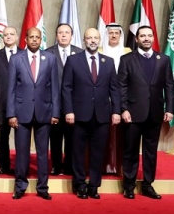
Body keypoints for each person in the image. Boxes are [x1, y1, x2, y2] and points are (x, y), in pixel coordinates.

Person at [62, 28, 121, 200]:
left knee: (98, 152)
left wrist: (116, 111)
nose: (93, 40)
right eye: (89, 38)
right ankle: (80, 185)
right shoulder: (73, 60)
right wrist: (69, 110)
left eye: (96, 37)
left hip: (102, 116)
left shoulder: (108, 62)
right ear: (84, 40)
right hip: (79, 115)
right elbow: (66, 88)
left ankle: (94, 186)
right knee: (78, 152)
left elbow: (114, 89)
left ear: (100, 40)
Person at [119, 25, 174, 200]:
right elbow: (122, 86)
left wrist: (170, 109)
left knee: (151, 152)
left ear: (153, 38)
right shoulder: (126, 59)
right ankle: (129, 186)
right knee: (131, 150)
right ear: (137, 39)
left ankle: (147, 185)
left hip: (155, 113)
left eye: (149, 36)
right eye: (142, 36)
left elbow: (169, 86)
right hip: (132, 113)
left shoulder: (163, 59)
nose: (146, 39)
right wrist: (123, 109)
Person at [6, 27, 59, 200]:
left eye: (37, 37)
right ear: (26, 39)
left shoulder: (50, 58)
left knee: (43, 153)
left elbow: (55, 88)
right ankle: (20, 186)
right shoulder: (16, 59)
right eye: (31, 37)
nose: (35, 40)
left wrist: (56, 112)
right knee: (22, 153)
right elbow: (11, 89)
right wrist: (11, 114)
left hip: (44, 112)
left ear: (40, 40)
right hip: (21, 113)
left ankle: (42, 187)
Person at [47, 23, 82, 176]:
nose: (63, 35)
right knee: (55, 138)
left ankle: (69, 166)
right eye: (60, 32)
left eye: (67, 32)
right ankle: (56, 165)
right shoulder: (47, 53)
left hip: (73, 105)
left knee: (71, 138)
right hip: (53, 104)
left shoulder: (80, 53)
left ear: (71, 36)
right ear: (56, 35)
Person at [99, 22, 131, 175]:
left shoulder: (127, 52)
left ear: (120, 35)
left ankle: (118, 167)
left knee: (120, 136)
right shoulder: (99, 51)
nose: (113, 35)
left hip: (122, 98)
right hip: (102, 99)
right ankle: (102, 166)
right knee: (102, 134)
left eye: (116, 33)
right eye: (110, 33)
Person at [0, 25, 18, 175]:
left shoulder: (24, 54)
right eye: (6, 34)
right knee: (3, 138)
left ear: (17, 37)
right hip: (2, 103)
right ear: (2, 38)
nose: (8, 37)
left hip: (20, 104)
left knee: (21, 138)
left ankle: (21, 166)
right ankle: (3, 165)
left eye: (11, 34)